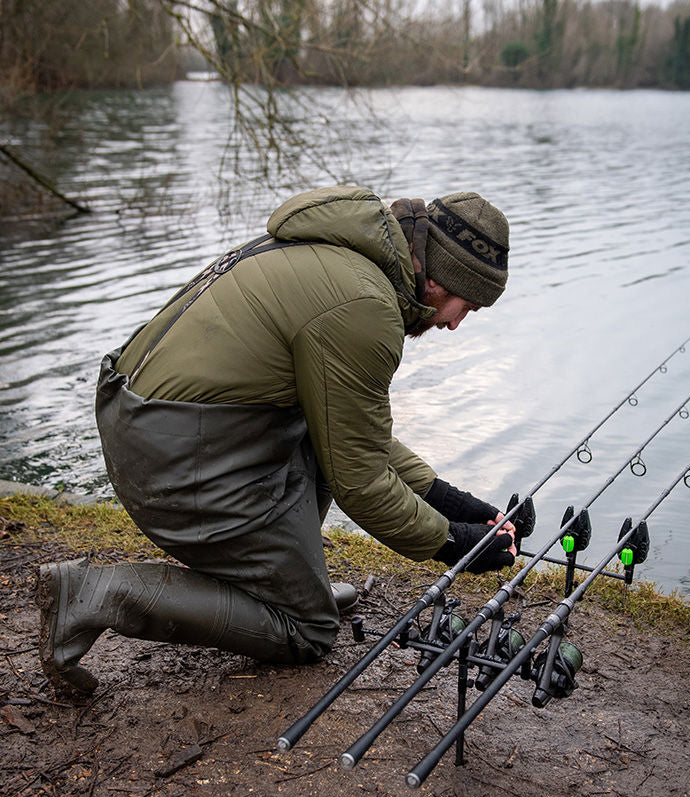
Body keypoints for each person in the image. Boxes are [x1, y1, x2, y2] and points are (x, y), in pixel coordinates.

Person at [35, 185, 533, 698]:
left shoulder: (346, 256)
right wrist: (453, 543)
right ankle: (98, 594)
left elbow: (355, 436)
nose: (454, 323)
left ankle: (292, 585)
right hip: (171, 459)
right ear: (436, 277)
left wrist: (456, 504)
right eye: (464, 304)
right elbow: (360, 481)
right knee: (309, 631)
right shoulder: (363, 305)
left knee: (319, 433)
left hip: (151, 421)